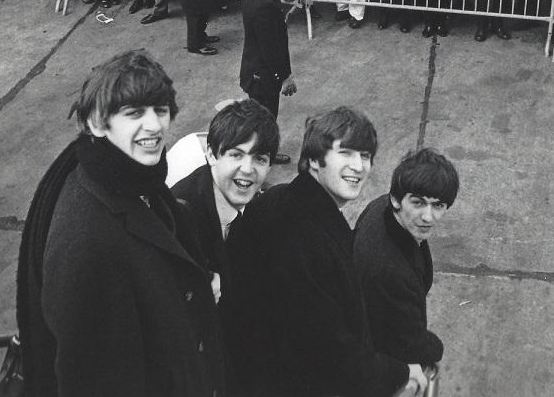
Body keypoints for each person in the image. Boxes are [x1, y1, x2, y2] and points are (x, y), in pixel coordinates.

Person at [15, 50, 226, 396]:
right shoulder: (85, 240)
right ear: (97, 123)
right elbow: (88, 379)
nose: (155, 125)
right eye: (134, 113)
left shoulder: (134, 181)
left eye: (160, 110)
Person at [227, 106, 428, 397]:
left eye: (365, 156)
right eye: (345, 153)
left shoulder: (278, 198)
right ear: (313, 160)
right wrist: (402, 372)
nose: (359, 166)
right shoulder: (309, 241)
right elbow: (332, 359)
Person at [170, 97, 278, 386]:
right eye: (236, 154)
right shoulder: (180, 219)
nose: (248, 169)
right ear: (211, 155)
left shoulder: (252, 209)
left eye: (260, 158)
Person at [354, 148, 459, 367]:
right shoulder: (390, 272)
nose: (428, 217)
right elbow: (408, 340)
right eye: (418, 203)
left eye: (438, 205)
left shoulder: (381, 206)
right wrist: (436, 348)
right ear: (396, 199)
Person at [240, 0, 297, 117]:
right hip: (263, 78)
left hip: (253, 71)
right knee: (265, 123)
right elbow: (271, 47)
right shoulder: (265, 5)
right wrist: (285, 76)